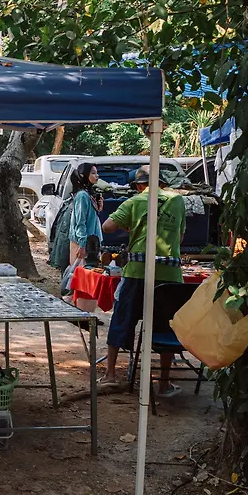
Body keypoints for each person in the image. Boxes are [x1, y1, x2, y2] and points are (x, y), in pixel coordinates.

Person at [100, 165, 186, 394]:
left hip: (137, 272)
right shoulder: (178, 201)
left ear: (139, 186)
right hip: (170, 275)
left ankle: (110, 375)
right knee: (167, 326)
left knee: (121, 320)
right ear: (162, 183)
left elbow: (107, 227)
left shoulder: (135, 201)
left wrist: (132, 227)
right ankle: (163, 384)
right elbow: (180, 237)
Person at [69, 162, 102, 261]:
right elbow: (80, 222)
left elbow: (91, 218)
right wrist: (82, 245)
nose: (97, 176)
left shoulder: (89, 194)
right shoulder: (82, 196)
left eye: (97, 173)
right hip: (83, 244)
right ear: (84, 175)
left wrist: (99, 208)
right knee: (80, 269)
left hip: (91, 243)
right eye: (93, 173)